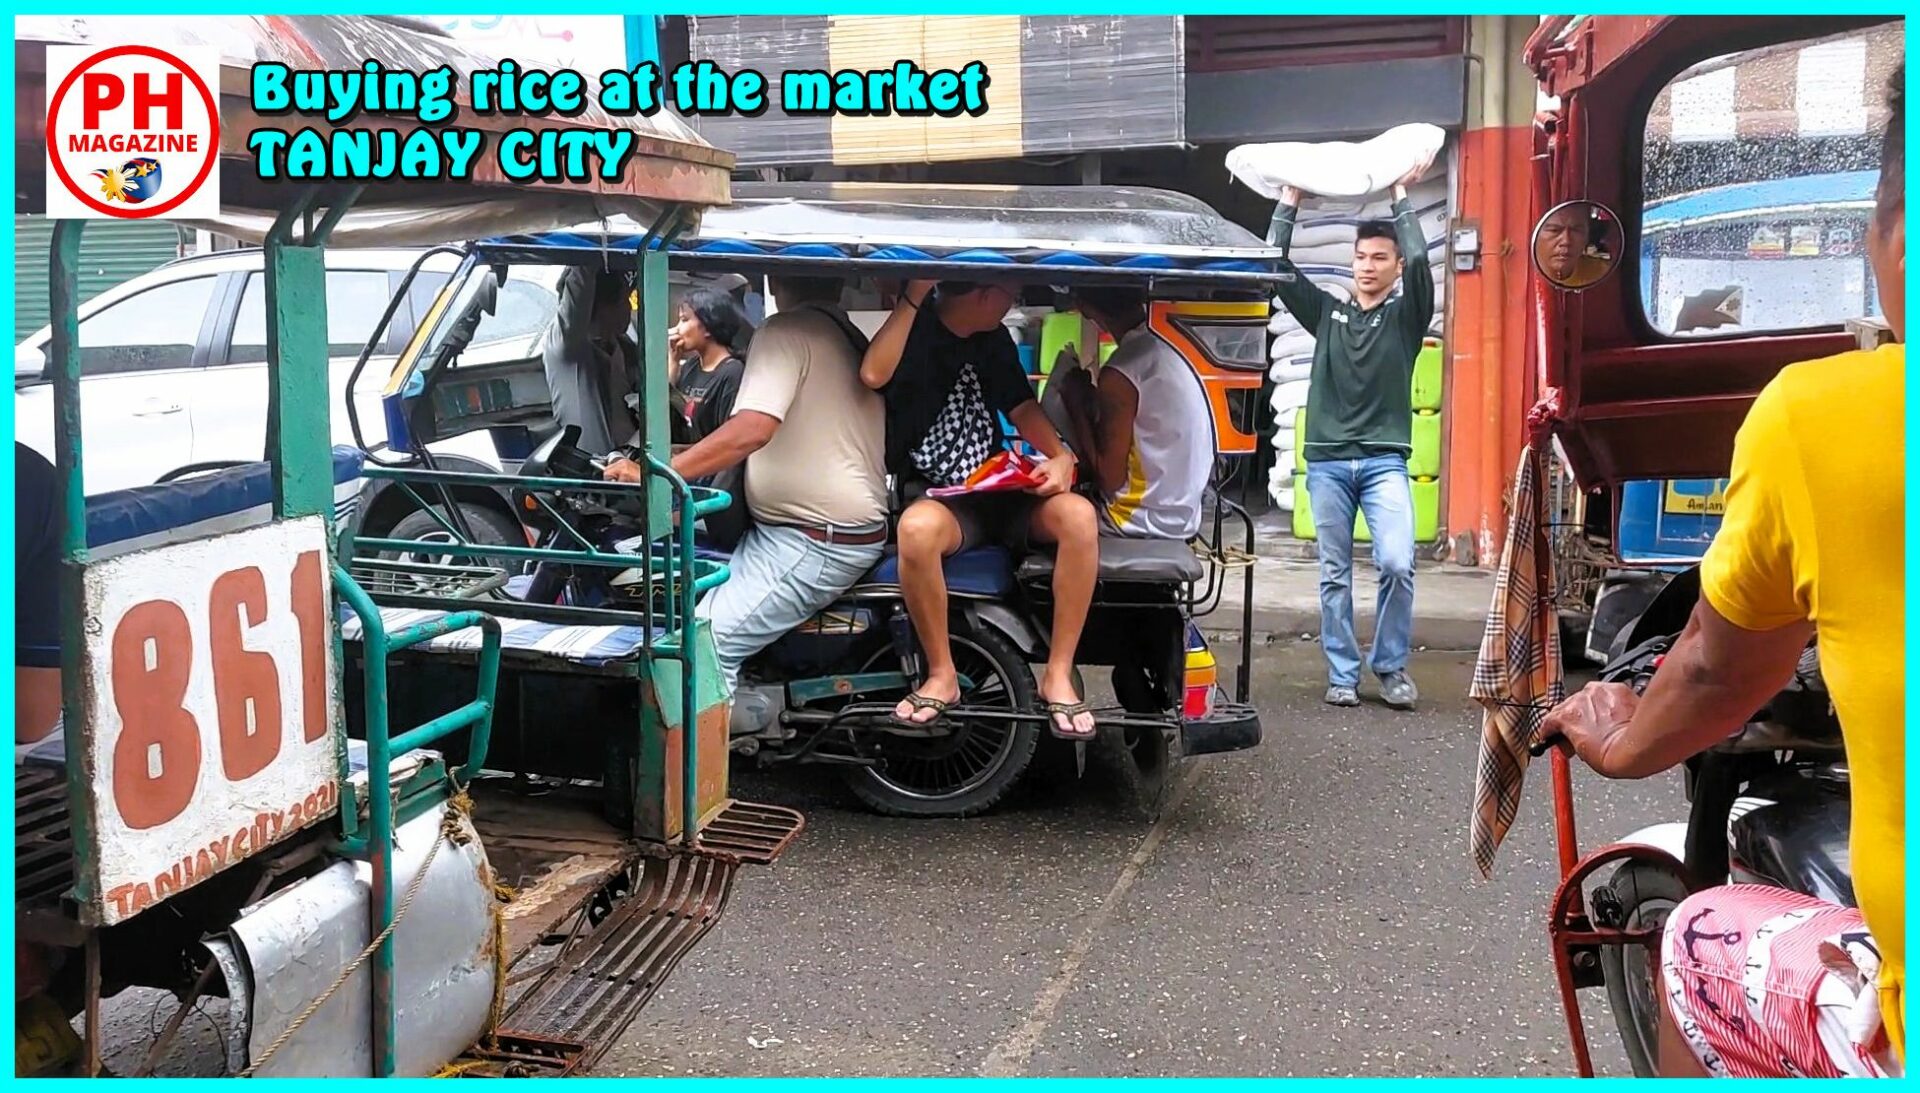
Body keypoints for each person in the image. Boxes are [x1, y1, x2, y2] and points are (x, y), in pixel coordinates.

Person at [1541, 65, 1905, 1080]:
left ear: (1893, 234)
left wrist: (1622, 744)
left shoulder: (1826, 417)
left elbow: (1711, 672)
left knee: (1699, 942)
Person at [635, 276, 888, 727]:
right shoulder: (840, 331)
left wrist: (652, 473)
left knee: (704, 646)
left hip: (811, 539)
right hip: (810, 529)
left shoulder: (785, 331)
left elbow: (752, 429)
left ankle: (696, 787)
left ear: (772, 279)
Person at [861, 280, 1099, 740]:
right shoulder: (915, 328)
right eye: (1009, 293)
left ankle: (1058, 674)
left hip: (1003, 488)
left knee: (1079, 517)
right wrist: (914, 292)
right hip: (946, 500)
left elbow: (1021, 406)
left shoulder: (993, 340)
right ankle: (941, 674)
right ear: (986, 293)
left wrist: (1061, 456)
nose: (1014, 301)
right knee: (915, 531)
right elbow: (873, 375)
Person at [1271, 152, 1436, 710]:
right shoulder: (1327, 315)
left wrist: (1399, 196)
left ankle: (1390, 667)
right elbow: (1277, 267)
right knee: (1334, 573)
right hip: (1327, 463)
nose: (1367, 265)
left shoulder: (1406, 316)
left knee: (1397, 561)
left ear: (1393, 267)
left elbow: (1421, 263)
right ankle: (1343, 673)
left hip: (1385, 461)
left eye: (1379, 257)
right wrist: (1289, 201)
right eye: (1361, 256)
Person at [1050, 286, 1213, 540]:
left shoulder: (1123, 371)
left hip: (1139, 522)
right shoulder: (1172, 350)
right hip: (1183, 516)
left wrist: (1075, 402)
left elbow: (1109, 478)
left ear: (1087, 310)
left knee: (1035, 518)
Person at [543, 267, 639, 458]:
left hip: (631, 461)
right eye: (623, 301)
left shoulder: (625, 347)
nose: (629, 308)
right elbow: (581, 282)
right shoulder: (567, 344)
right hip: (592, 466)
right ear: (601, 306)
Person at [666, 286, 750, 447]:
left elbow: (729, 440)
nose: (677, 329)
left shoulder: (732, 373)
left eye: (684, 320)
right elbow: (668, 420)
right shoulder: (690, 367)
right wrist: (673, 361)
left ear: (707, 326)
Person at [1534, 203, 1614, 288]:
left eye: (1576, 230)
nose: (1566, 241)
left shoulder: (1603, 273)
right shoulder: (1521, 275)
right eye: (1554, 230)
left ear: (1588, 236)